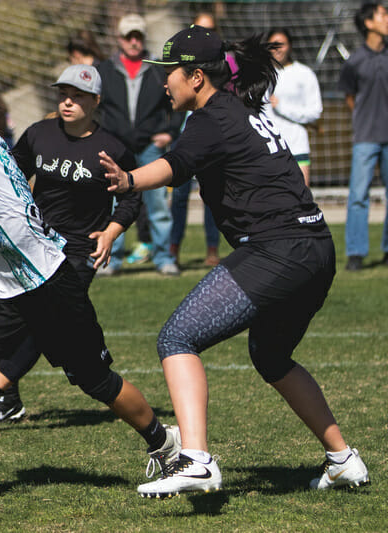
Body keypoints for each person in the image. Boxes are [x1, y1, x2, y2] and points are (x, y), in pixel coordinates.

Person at [0, 66, 181, 502]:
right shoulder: (21, 142)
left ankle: (165, 443)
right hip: (0, 288)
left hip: (50, 280)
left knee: (94, 379)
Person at [103, 26, 369, 498]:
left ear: (198, 77)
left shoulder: (211, 118)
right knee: (270, 355)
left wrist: (127, 180)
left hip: (278, 250)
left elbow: (175, 166)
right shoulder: (240, 108)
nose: (164, 82)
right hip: (315, 248)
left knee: (177, 337)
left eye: (171, 73)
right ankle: (342, 459)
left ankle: (198, 461)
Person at [0, 64, 142, 424]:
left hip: (79, 251)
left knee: (47, 320)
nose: (68, 102)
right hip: (35, 242)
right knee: (18, 315)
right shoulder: (39, 134)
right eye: (63, 94)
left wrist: (110, 233)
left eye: (78, 96)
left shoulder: (112, 147)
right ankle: (9, 397)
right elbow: (13, 177)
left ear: (96, 101)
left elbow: (132, 199)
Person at [97, 13, 184, 276]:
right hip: (115, 148)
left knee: (157, 203)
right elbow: (93, 106)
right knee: (112, 204)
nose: (134, 42)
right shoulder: (103, 70)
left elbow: (178, 102)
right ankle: (111, 259)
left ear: (143, 39)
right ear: (120, 39)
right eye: (128, 36)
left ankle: (163, 257)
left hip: (150, 147)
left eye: (138, 36)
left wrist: (169, 131)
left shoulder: (159, 69)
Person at [169, 13, 222, 267]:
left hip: (209, 141)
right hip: (182, 137)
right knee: (178, 197)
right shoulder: (179, 68)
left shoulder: (221, 71)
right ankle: (173, 248)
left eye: (210, 29)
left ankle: (213, 248)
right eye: (200, 29)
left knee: (211, 194)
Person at [339, 2, 388, 271]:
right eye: (383, 15)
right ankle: (356, 253)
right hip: (366, 138)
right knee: (358, 195)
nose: (387, 19)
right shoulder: (354, 62)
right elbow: (349, 97)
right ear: (368, 23)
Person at [265, 28, 323, 187]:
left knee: (300, 200)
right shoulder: (260, 75)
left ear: (290, 46)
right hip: (267, 149)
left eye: (281, 44)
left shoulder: (304, 73)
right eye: (272, 45)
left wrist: (283, 107)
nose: (277, 49)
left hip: (296, 146)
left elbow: (315, 112)